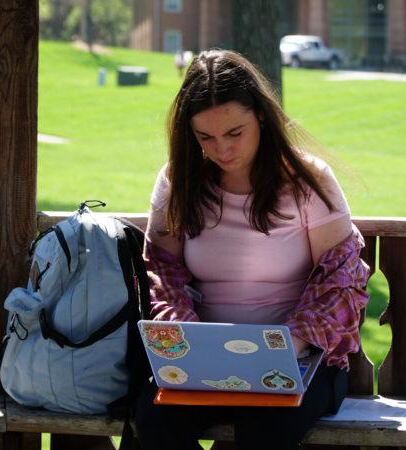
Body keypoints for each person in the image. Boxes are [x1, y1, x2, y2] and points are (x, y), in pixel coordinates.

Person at [135, 49, 370, 450]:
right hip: (201, 364)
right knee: (152, 421)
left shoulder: (307, 179)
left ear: (260, 115)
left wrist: (287, 345)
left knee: (266, 431)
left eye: (234, 133)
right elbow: (163, 270)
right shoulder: (179, 179)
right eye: (205, 137)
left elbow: (342, 283)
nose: (221, 150)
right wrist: (185, 336)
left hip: (299, 361)